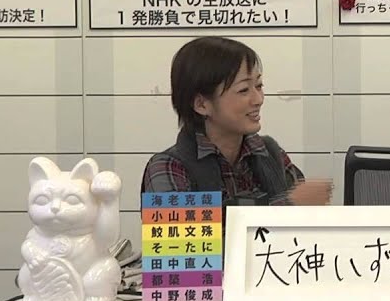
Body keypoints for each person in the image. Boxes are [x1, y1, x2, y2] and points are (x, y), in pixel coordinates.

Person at [140, 36, 332, 206]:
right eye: (243, 90)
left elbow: (302, 226)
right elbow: (184, 234)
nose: (258, 99)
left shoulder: (272, 154)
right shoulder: (168, 167)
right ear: (201, 104)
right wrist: (290, 204)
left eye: (259, 86)